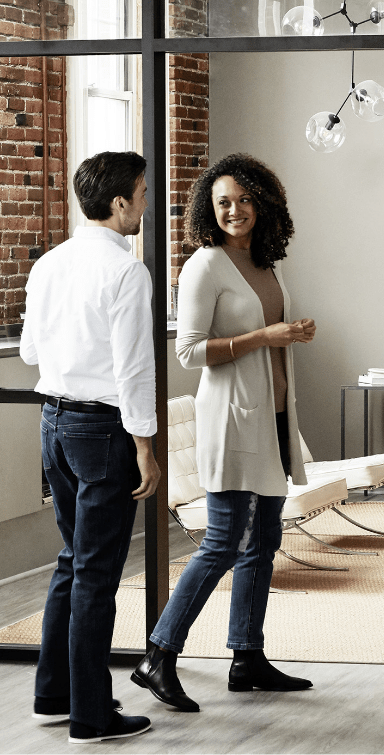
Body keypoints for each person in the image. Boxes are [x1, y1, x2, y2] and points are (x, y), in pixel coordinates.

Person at [132, 153, 316, 711]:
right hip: (232, 418)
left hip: (273, 418)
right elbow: (188, 351)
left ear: (263, 201)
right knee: (222, 543)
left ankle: (247, 657)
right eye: (222, 202)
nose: (234, 210)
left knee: (265, 542)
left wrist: (288, 335)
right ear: (209, 212)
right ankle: (158, 656)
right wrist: (267, 336)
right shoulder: (205, 265)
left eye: (242, 199)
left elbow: (269, 334)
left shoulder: (264, 263)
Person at [20, 151, 161, 743]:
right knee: (96, 574)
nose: (146, 205)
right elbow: (133, 372)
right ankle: (91, 715)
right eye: (143, 194)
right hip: (103, 432)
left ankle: (54, 694)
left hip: (53, 423)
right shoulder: (127, 271)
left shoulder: (50, 262)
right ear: (120, 202)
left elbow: (29, 352)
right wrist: (146, 448)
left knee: (72, 562)